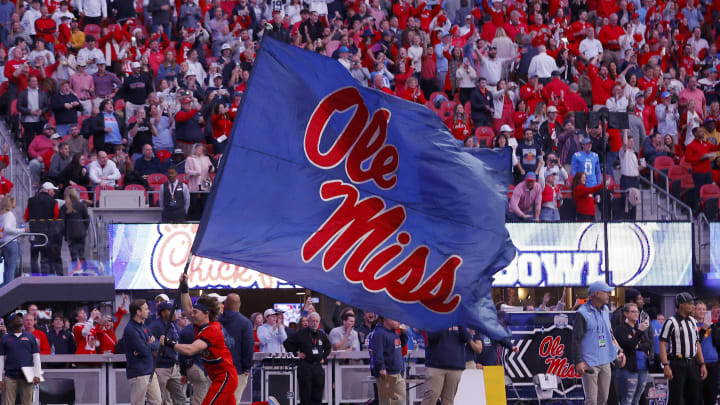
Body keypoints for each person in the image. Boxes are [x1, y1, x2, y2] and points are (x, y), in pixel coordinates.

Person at [165, 277, 239, 405]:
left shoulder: (212, 330)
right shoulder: (199, 325)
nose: (191, 314)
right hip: (216, 376)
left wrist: (169, 343)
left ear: (206, 313)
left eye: (195, 312)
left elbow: (191, 349)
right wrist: (184, 287)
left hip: (225, 377)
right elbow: (188, 308)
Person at [572, 281, 624, 405]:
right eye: (606, 292)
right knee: (591, 401)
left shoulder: (606, 310)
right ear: (597, 294)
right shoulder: (582, 313)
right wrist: (578, 361)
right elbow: (576, 339)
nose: (609, 295)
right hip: (590, 362)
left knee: (603, 399)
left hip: (605, 360)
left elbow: (609, 334)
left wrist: (618, 351)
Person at [659, 293, 708, 405]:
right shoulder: (671, 322)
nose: (693, 306)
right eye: (690, 303)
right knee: (677, 398)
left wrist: (702, 364)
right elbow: (662, 343)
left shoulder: (693, 321)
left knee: (694, 397)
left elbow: (697, 343)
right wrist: (665, 365)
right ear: (681, 305)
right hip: (677, 363)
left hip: (692, 363)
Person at [283, 312, 332, 405]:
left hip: (318, 367)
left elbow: (328, 347)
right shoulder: (301, 333)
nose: (315, 323)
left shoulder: (321, 334)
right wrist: (296, 354)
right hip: (305, 367)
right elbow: (287, 343)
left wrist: (324, 358)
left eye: (317, 321)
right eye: (313, 321)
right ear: (308, 322)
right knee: (305, 395)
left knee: (318, 395)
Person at [122, 299, 162, 405]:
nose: (149, 311)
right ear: (138, 312)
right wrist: (149, 345)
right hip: (138, 373)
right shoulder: (130, 329)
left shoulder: (143, 326)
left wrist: (148, 345)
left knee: (157, 402)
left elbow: (157, 343)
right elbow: (144, 350)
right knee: (137, 403)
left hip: (150, 371)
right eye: (146, 309)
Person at [217, 293, 254, 402]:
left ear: (225, 304)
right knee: (234, 400)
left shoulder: (215, 320)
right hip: (236, 369)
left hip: (216, 368)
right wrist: (246, 367)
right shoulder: (245, 322)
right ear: (239, 304)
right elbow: (248, 346)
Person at [422, 326, 471, 405]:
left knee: (448, 401)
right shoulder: (434, 317)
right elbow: (431, 337)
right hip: (435, 366)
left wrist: (460, 324)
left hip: (455, 366)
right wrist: (445, 322)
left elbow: (467, 338)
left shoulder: (460, 319)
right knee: (431, 397)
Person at [0, 313, 42, 405]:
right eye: (15, 318)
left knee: (28, 402)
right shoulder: (5, 338)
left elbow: (36, 357)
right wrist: (0, 378)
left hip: (27, 375)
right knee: (8, 402)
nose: (18, 319)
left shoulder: (31, 337)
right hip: (9, 375)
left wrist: (37, 374)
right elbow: (1, 359)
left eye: (20, 317)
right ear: (10, 323)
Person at [613, 303, 651, 405]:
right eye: (633, 311)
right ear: (626, 313)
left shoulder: (638, 328)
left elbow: (648, 345)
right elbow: (629, 346)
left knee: (637, 399)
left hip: (643, 367)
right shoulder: (621, 329)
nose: (636, 314)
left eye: (637, 312)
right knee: (627, 399)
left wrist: (638, 345)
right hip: (628, 368)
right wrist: (639, 332)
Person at [149, 301, 184, 405]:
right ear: (163, 313)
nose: (175, 313)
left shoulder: (174, 325)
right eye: (171, 310)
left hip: (173, 366)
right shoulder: (155, 326)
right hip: (161, 368)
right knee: (159, 399)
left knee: (181, 398)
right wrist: (157, 351)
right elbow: (151, 344)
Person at [24, 182, 60, 275]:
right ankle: (45, 278)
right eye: (53, 190)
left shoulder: (31, 200)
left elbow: (26, 216)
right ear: (48, 190)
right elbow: (56, 217)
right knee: (45, 257)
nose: (54, 192)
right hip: (47, 233)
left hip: (34, 232)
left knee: (34, 257)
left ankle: (35, 277)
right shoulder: (53, 202)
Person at [369, 317, 405, 405]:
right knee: (386, 402)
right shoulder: (379, 333)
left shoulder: (394, 333)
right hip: (387, 374)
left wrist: (404, 334)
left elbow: (401, 345)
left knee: (401, 398)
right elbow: (378, 353)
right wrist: (381, 367)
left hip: (397, 372)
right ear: (386, 319)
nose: (399, 321)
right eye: (395, 318)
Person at [694, 301, 719, 405]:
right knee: (698, 395)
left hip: (713, 363)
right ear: (694, 310)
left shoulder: (712, 326)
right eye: (699, 309)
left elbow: (717, 342)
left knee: (711, 394)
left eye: (704, 309)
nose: (702, 311)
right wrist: (703, 329)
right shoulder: (691, 324)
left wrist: (713, 326)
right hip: (699, 364)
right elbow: (695, 341)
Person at [59, 187, 89, 265]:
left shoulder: (64, 207)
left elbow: (61, 222)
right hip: (81, 232)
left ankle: (75, 272)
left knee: (73, 255)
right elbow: (87, 219)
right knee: (82, 254)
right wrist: (85, 229)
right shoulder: (81, 205)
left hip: (70, 233)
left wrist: (64, 234)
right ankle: (84, 271)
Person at [0, 196, 23, 285]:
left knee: (7, 268)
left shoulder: (2, 215)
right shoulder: (9, 215)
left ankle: (5, 288)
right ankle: (9, 289)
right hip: (11, 242)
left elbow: (3, 229)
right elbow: (7, 229)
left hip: (4, 242)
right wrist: (22, 231)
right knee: (11, 268)